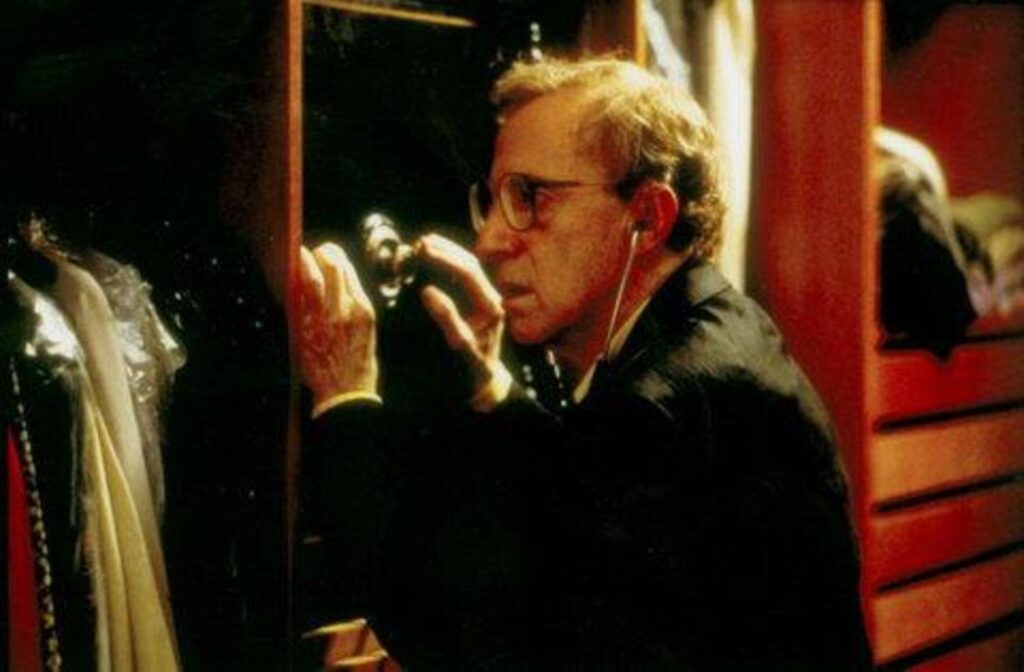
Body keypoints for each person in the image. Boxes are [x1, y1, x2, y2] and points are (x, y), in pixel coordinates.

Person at [296, 56, 872, 670]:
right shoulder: (716, 325)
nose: (489, 242)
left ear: (647, 217)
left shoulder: (656, 407)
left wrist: (345, 399)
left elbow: (473, 646)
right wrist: (492, 384)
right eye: (492, 200)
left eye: (530, 196)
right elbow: (577, 502)